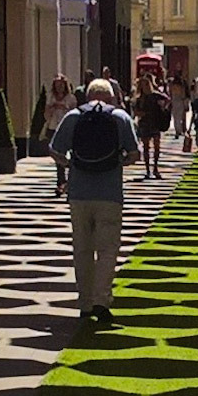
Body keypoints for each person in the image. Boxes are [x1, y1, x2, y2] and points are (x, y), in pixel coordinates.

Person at [49, 77, 140, 323]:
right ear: (110, 97)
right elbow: (135, 154)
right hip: (109, 193)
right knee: (108, 249)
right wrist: (117, 162)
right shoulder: (120, 118)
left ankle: (85, 302)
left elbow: (55, 150)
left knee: (82, 248)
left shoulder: (73, 117)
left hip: (79, 193)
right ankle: (102, 299)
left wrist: (71, 164)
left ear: (87, 97)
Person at [44, 76, 78, 198]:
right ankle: (61, 182)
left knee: (71, 154)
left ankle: (70, 180)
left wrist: (65, 108)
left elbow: (75, 113)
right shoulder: (51, 97)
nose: (59, 87)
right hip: (54, 127)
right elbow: (46, 114)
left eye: (61, 84)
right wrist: (52, 107)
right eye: (57, 84)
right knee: (57, 154)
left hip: (68, 128)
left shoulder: (71, 98)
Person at [132, 74, 171, 178]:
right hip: (145, 124)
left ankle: (155, 168)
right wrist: (141, 114)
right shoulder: (140, 98)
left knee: (157, 146)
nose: (146, 87)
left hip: (155, 123)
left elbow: (167, 99)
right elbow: (135, 111)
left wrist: (163, 108)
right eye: (143, 85)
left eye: (147, 84)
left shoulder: (155, 95)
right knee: (146, 147)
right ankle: (148, 169)